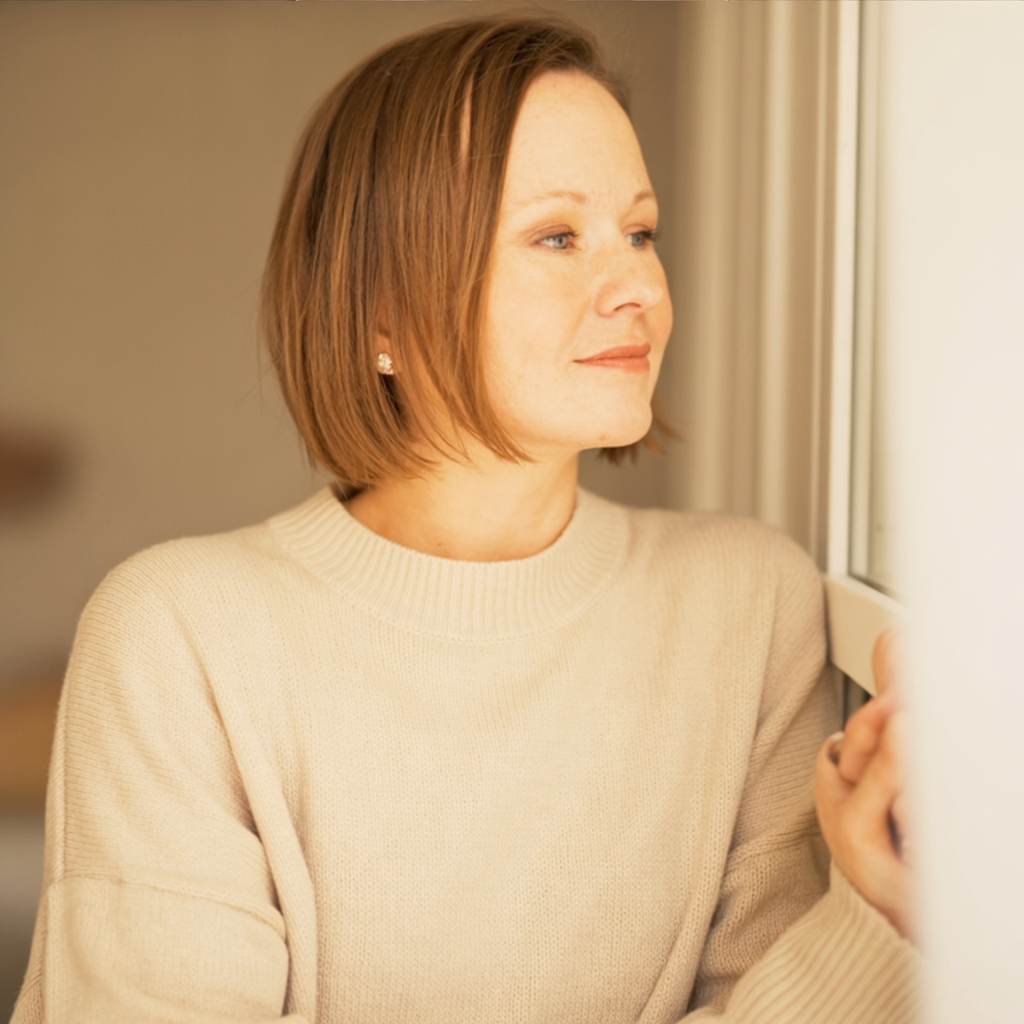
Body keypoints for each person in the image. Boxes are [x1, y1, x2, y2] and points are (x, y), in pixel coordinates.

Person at [11, 16, 916, 1024]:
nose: (639, 288)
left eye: (642, 230)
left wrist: (881, 907)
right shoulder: (178, 634)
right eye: (558, 236)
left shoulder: (749, 603)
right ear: (384, 314)